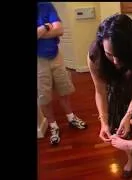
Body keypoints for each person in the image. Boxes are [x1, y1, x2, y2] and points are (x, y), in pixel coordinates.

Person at [87, 14, 132, 177]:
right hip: (115, 96)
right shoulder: (94, 53)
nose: (116, 61)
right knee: (122, 132)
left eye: (120, 55)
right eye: (110, 55)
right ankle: (131, 159)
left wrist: (129, 114)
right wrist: (103, 122)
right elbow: (100, 91)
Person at [37, 2, 87, 145]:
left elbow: (59, 30)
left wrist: (40, 31)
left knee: (64, 89)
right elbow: (53, 28)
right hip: (38, 60)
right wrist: (47, 26)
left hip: (55, 55)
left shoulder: (46, 5)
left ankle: (71, 118)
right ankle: (53, 126)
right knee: (44, 96)